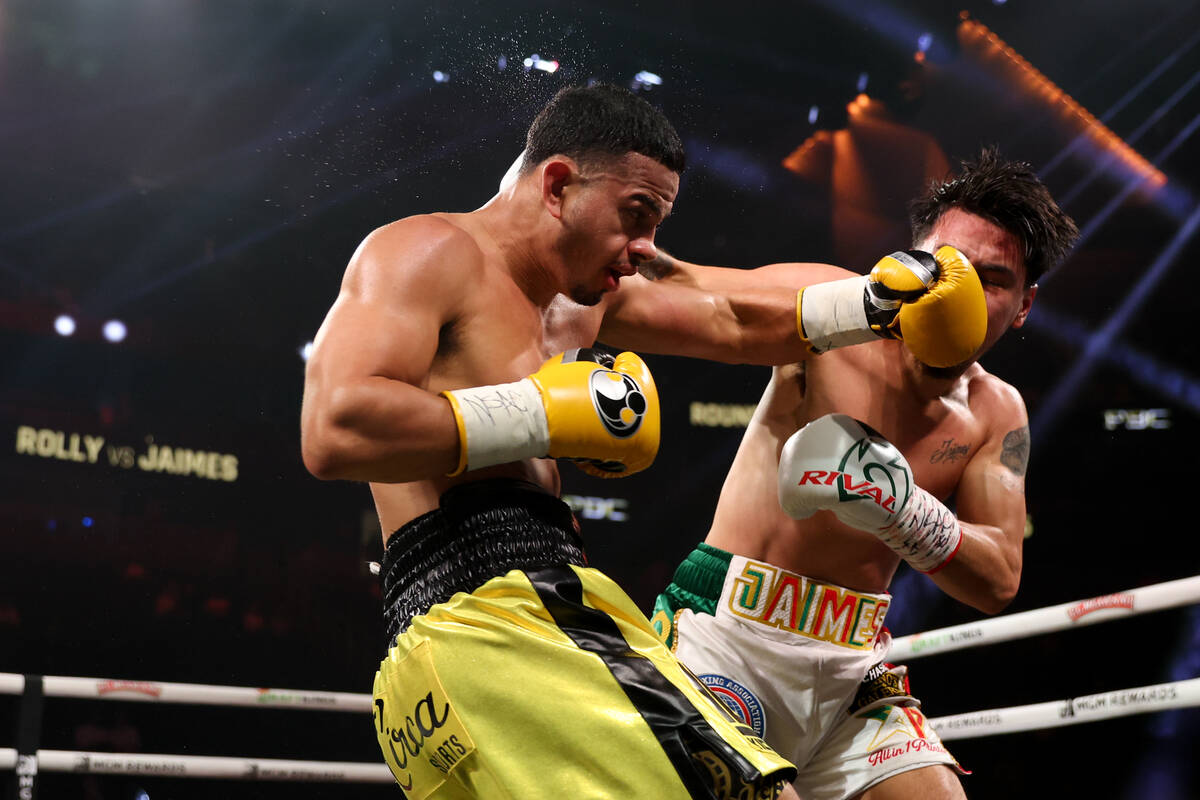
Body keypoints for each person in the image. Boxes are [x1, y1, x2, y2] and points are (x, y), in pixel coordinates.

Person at [300, 83, 983, 799]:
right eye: (636, 214)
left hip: (449, 666)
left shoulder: (578, 301)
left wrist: (872, 303)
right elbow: (334, 426)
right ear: (559, 184)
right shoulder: (428, 250)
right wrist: (541, 415)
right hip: (504, 615)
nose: (645, 247)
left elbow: (729, 317)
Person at [652, 148, 1079, 800]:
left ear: (1024, 306)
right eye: (944, 266)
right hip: (726, 636)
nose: (956, 291)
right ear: (913, 256)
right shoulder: (837, 308)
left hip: (855, 663)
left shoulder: (997, 412)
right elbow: (699, 294)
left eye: (990, 280)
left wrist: (906, 511)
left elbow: (998, 578)